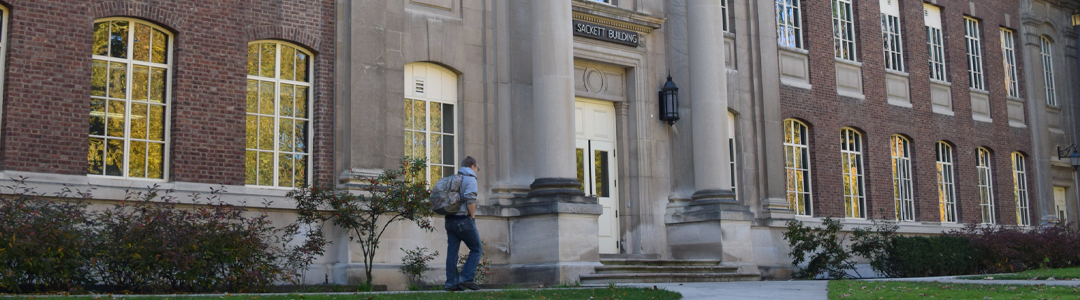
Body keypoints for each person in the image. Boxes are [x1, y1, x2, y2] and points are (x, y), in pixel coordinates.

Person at [444, 156, 482, 291]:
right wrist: (472, 216)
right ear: (472, 166)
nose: (477, 170)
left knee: (452, 253)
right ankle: (466, 278)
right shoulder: (470, 178)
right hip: (463, 220)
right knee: (477, 248)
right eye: (477, 168)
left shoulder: (453, 178)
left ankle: (451, 283)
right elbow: (471, 200)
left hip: (449, 220)